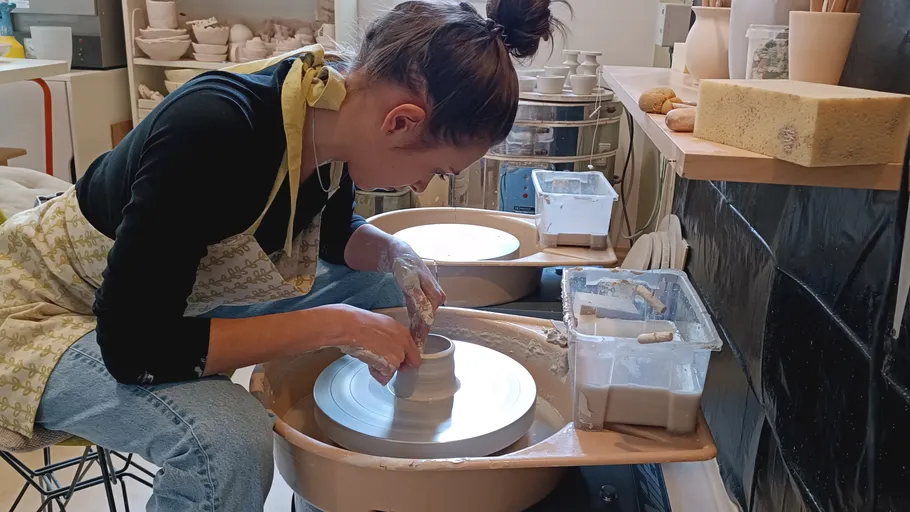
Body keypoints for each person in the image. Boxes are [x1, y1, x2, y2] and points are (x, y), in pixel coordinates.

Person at [0, 0, 566, 509]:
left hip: (165, 294)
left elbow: (330, 228)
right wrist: (331, 326)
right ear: (401, 121)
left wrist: (395, 252)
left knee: (387, 290)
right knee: (230, 442)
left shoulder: (326, 107)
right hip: (44, 309)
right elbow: (134, 346)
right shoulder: (213, 130)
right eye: (436, 169)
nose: (422, 187)